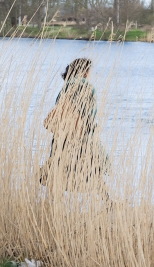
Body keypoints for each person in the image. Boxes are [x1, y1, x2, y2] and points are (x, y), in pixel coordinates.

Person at [41, 58, 108, 192]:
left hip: (63, 135)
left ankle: (52, 205)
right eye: (89, 71)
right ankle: (107, 203)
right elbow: (84, 112)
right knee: (95, 168)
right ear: (85, 71)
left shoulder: (67, 86)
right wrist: (90, 127)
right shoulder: (85, 86)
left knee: (58, 169)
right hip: (80, 135)